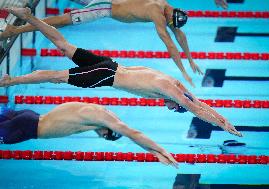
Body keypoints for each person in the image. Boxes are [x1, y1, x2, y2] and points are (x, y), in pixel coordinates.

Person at [0, 7, 242, 137]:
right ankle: (11, 81)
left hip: (111, 64)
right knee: (56, 77)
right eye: (174, 108)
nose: (169, 108)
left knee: (64, 46)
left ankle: (28, 18)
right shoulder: (169, 91)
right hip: (106, 74)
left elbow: (196, 101)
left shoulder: (173, 83)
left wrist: (223, 118)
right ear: (175, 103)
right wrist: (222, 125)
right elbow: (195, 108)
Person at [0, 0, 228, 86]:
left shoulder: (167, 9)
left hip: (107, 6)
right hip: (105, 8)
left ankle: (18, 26)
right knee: (61, 22)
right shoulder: (157, 12)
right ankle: (17, 27)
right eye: (171, 22)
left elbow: (179, 36)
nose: (170, 25)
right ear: (170, 16)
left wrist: (190, 61)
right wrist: (184, 73)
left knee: (62, 22)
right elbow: (168, 42)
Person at [0, 103, 178, 168]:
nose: (101, 137)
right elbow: (133, 133)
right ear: (108, 131)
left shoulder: (98, 112)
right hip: (27, 127)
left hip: (28, 116)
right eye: (106, 137)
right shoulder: (101, 118)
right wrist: (158, 152)